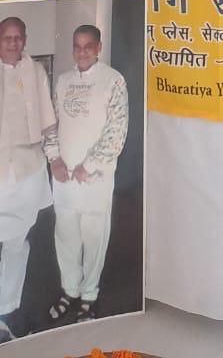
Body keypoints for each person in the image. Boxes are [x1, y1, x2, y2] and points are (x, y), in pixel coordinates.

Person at [46, 26, 128, 324]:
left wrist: (89, 165)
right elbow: (51, 123)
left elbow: (117, 132)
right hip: (65, 178)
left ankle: (89, 295)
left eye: (88, 46)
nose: (82, 52)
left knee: (94, 239)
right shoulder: (64, 81)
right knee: (66, 236)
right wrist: (54, 158)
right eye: (77, 46)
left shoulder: (113, 80)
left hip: (94, 179)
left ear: (99, 47)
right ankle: (70, 289)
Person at [0, 17, 55, 343]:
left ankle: (5, 312)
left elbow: (47, 121)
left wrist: (55, 158)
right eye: (6, 37)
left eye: (18, 37)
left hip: (26, 168)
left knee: (17, 242)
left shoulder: (36, 72)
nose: (12, 43)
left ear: (25, 40)